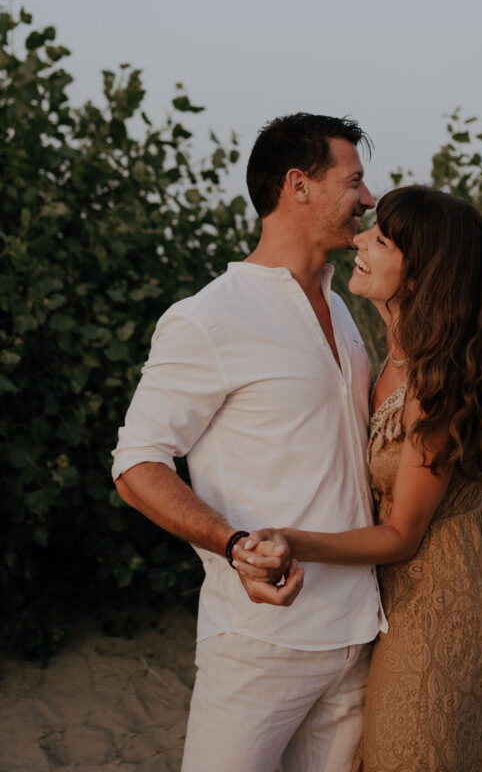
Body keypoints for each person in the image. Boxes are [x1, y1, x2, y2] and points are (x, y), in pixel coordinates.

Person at [111, 113, 387, 772]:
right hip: (260, 642)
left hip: (355, 638)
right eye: (354, 181)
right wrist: (234, 545)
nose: (369, 198)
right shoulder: (209, 316)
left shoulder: (344, 307)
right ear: (299, 185)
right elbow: (135, 464)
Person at [233, 185, 482, 772]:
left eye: (382, 239)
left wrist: (294, 539)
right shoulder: (384, 358)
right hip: (389, 602)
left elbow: (401, 536)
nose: (360, 239)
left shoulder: (435, 387)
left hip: (439, 606)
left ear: (420, 277)